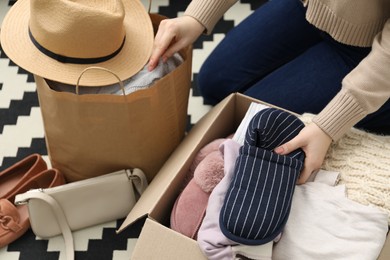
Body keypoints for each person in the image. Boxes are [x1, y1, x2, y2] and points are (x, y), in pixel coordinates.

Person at [148, 0, 390, 184]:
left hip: (372, 50)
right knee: (214, 83)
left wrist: (328, 126)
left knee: (252, 123)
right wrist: (196, 16)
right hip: (306, 7)